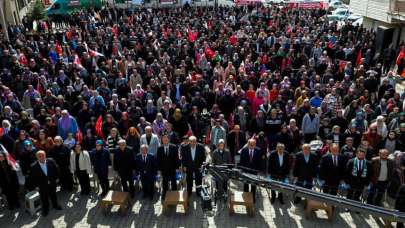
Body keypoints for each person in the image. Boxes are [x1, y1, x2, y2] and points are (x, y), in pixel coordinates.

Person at [28, 151, 62, 216]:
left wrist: (57, 178)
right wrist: (36, 186)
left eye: (43, 155)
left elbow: (56, 169)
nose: (41, 157)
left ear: (45, 155)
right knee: (44, 198)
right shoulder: (33, 166)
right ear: (37, 157)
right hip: (42, 185)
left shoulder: (51, 160)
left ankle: (55, 205)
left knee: (53, 194)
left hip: (52, 182)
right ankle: (46, 209)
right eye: (39, 156)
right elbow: (32, 178)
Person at [239, 138, 264, 202]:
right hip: (245, 171)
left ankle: (252, 197)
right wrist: (241, 170)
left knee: (253, 185)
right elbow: (241, 161)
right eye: (250, 144)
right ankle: (246, 197)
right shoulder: (244, 150)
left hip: (254, 171)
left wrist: (259, 171)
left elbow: (260, 162)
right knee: (246, 185)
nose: (251, 146)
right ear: (248, 144)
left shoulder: (258, 151)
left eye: (253, 145)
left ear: (255, 145)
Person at [156, 134, 180, 199]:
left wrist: (177, 168)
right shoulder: (159, 148)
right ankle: (165, 194)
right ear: (162, 140)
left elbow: (176, 158)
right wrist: (159, 169)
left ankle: (174, 194)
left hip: (172, 168)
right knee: (165, 182)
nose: (165, 140)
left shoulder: (174, 147)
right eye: (164, 139)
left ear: (168, 139)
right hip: (164, 169)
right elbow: (158, 160)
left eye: (166, 139)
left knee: (173, 181)